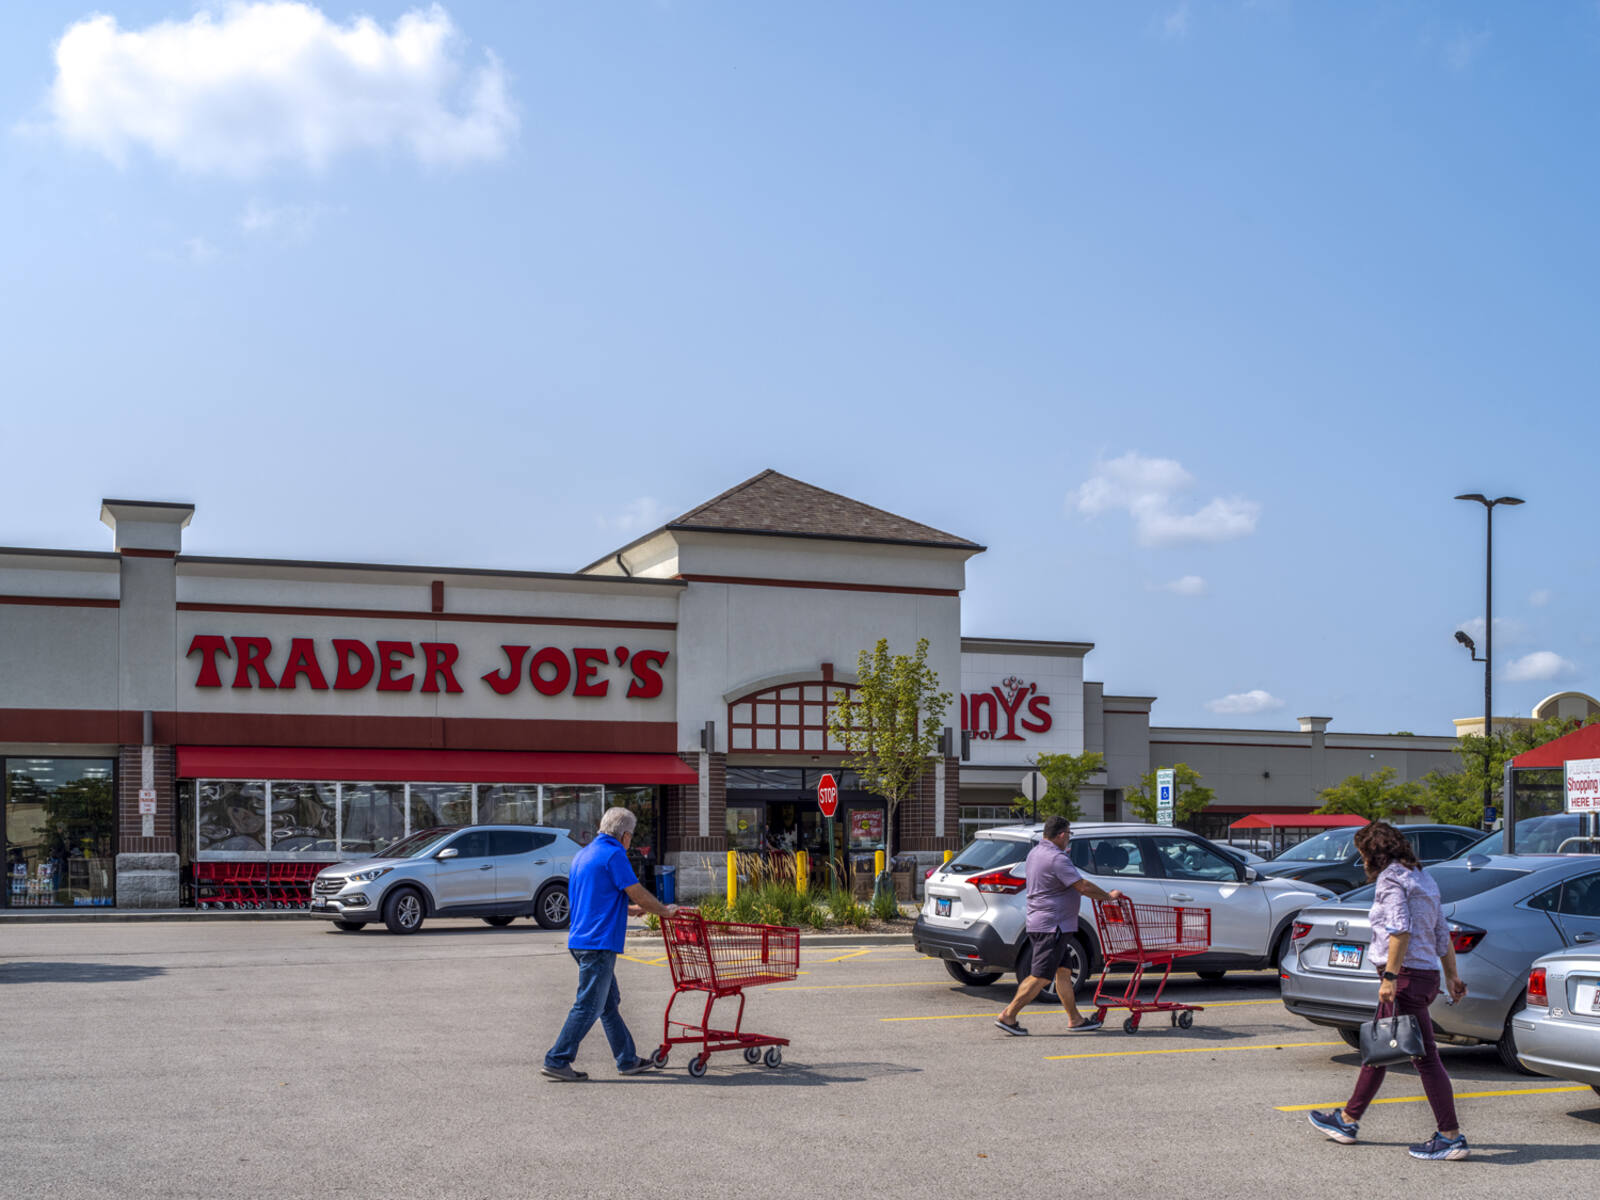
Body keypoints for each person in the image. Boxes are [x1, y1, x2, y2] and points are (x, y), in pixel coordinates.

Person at [1307, 821, 1469, 1161]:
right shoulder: (1424, 878)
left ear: (1372, 854)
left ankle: (1449, 1135)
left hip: (1405, 977)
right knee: (1384, 1051)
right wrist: (1452, 976)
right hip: (1425, 976)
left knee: (1407, 1056)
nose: (1361, 859)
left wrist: (1390, 977)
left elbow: (1400, 930)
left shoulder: (1391, 880)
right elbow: (1442, 933)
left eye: (1363, 853)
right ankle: (1349, 1119)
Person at [543, 806, 679, 1082]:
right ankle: (557, 1059)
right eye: (631, 837)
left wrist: (628, 910)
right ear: (625, 835)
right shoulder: (615, 854)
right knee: (589, 1005)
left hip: (580, 940)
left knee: (607, 1003)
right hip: (598, 943)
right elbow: (637, 891)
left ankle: (627, 1059)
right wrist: (664, 911)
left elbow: (596, 896)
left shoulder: (585, 854)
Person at [995, 816, 1125, 1035]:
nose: (1069, 840)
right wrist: (1108, 897)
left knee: (1063, 972)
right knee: (1041, 975)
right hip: (1052, 926)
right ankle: (1008, 1015)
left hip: (1046, 922)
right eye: (1069, 835)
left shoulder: (1035, 853)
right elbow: (1082, 886)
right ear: (1062, 834)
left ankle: (1075, 1019)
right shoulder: (1056, 858)